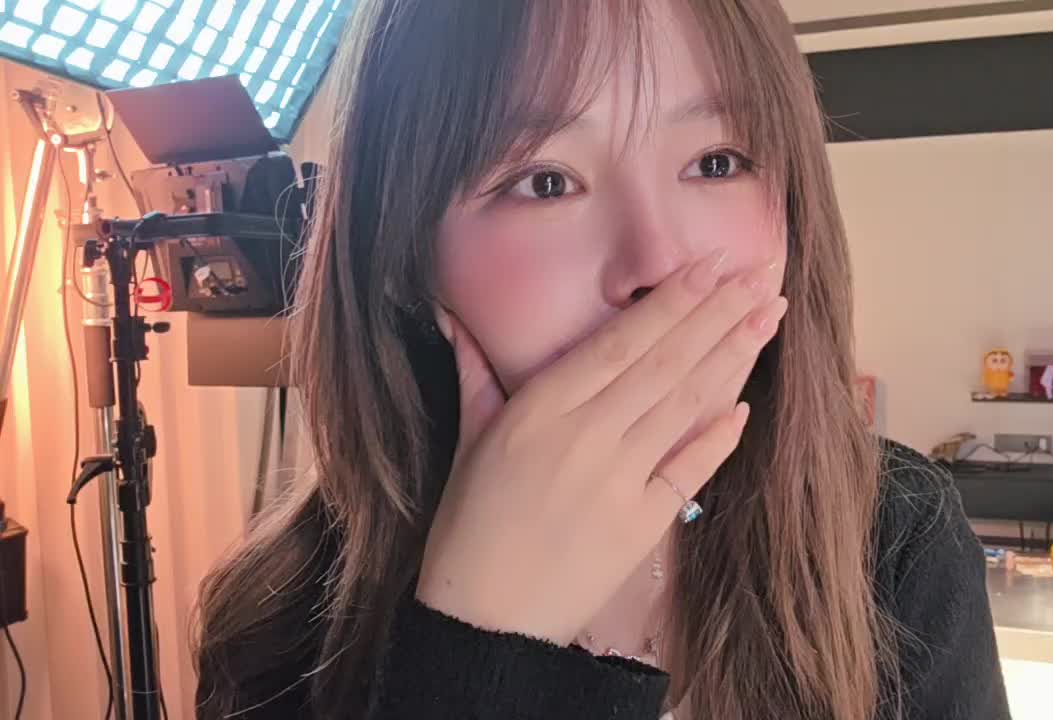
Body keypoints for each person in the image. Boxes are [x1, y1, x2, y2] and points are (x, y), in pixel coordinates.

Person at [194, 1, 1010, 719]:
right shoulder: (277, 627)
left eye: (716, 162)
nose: (655, 266)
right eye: (545, 181)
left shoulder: (896, 544)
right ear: (403, 257)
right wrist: (481, 644)